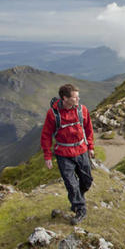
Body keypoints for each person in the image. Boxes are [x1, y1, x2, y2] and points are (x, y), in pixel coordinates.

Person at [41, 84, 95, 224]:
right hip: (63, 154)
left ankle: (77, 197)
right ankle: (80, 209)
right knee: (71, 184)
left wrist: (90, 147)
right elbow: (46, 135)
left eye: (78, 97)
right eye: (75, 97)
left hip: (81, 150)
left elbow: (88, 128)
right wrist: (47, 156)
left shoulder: (82, 110)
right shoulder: (53, 114)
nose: (78, 99)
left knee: (87, 181)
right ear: (65, 98)